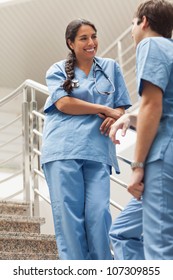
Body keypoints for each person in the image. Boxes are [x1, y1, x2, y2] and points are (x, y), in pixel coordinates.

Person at [41, 18, 131, 260]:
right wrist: (104, 109)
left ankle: (101, 269)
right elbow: (64, 103)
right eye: (83, 38)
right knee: (70, 219)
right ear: (71, 43)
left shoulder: (111, 67)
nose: (91, 42)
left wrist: (115, 115)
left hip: (97, 149)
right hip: (63, 150)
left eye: (94, 36)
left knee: (98, 214)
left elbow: (121, 106)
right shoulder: (57, 70)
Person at [109, 0, 173, 260]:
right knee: (123, 231)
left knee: (160, 248)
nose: (132, 31)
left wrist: (137, 166)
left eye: (133, 25)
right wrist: (131, 118)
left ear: (144, 21)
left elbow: (152, 105)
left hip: (165, 153)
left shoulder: (151, 44)